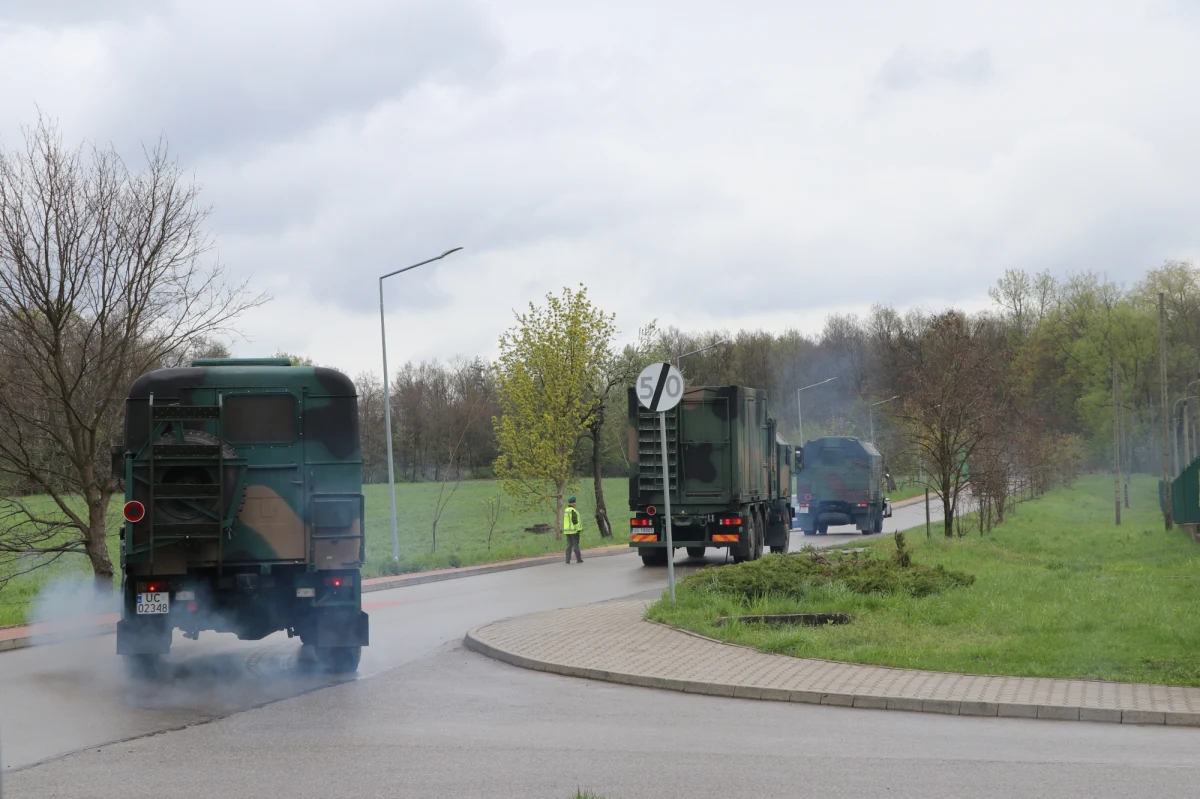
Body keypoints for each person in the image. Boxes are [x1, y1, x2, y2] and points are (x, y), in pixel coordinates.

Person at [563, 496, 583, 564]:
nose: (575, 503)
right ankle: (579, 559)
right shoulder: (573, 510)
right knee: (575, 545)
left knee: (569, 545)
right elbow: (575, 521)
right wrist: (578, 529)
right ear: (573, 503)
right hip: (574, 531)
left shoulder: (566, 510)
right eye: (575, 502)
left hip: (567, 531)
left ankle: (567, 559)